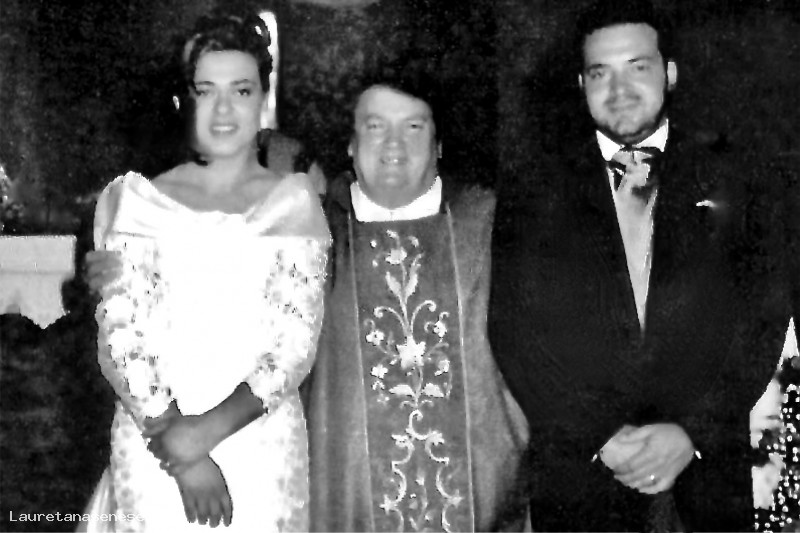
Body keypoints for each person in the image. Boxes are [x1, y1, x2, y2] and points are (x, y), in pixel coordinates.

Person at [489, 0, 791, 530]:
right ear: (580, 84)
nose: (619, 89)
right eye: (599, 73)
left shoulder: (738, 177)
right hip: (584, 480)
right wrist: (598, 435)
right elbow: (515, 330)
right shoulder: (532, 189)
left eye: (637, 67)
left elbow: (762, 317)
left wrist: (692, 431)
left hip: (705, 473)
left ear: (669, 73)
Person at [83, 12, 329, 531]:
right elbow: (122, 333)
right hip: (155, 442)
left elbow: (294, 342)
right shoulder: (136, 202)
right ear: (184, 100)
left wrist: (204, 433)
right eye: (205, 90)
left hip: (259, 437)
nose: (223, 109)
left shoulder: (294, 203)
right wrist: (177, 443)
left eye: (241, 90)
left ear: (262, 98)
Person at [304, 66, 530, 532]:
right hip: (347, 504)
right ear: (350, 144)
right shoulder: (313, 236)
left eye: (413, 126)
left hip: (485, 500)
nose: (393, 144)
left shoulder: (492, 225)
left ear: (439, 143)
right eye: (375, 126)